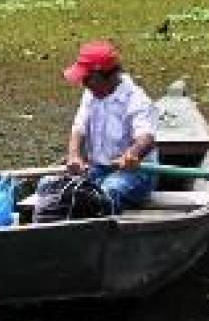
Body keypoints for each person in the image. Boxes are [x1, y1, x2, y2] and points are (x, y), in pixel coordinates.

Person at [40, 40, 158, 214]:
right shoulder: (91, 93)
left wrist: (133, 154)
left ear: (108, 76)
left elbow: (146, 137)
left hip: (136, 172)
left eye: (87, 79)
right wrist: (74, 155)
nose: (84, 83)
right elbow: (79, 127)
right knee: (47, 186)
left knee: (108, 191)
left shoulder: (136, 99)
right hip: (98, 168)